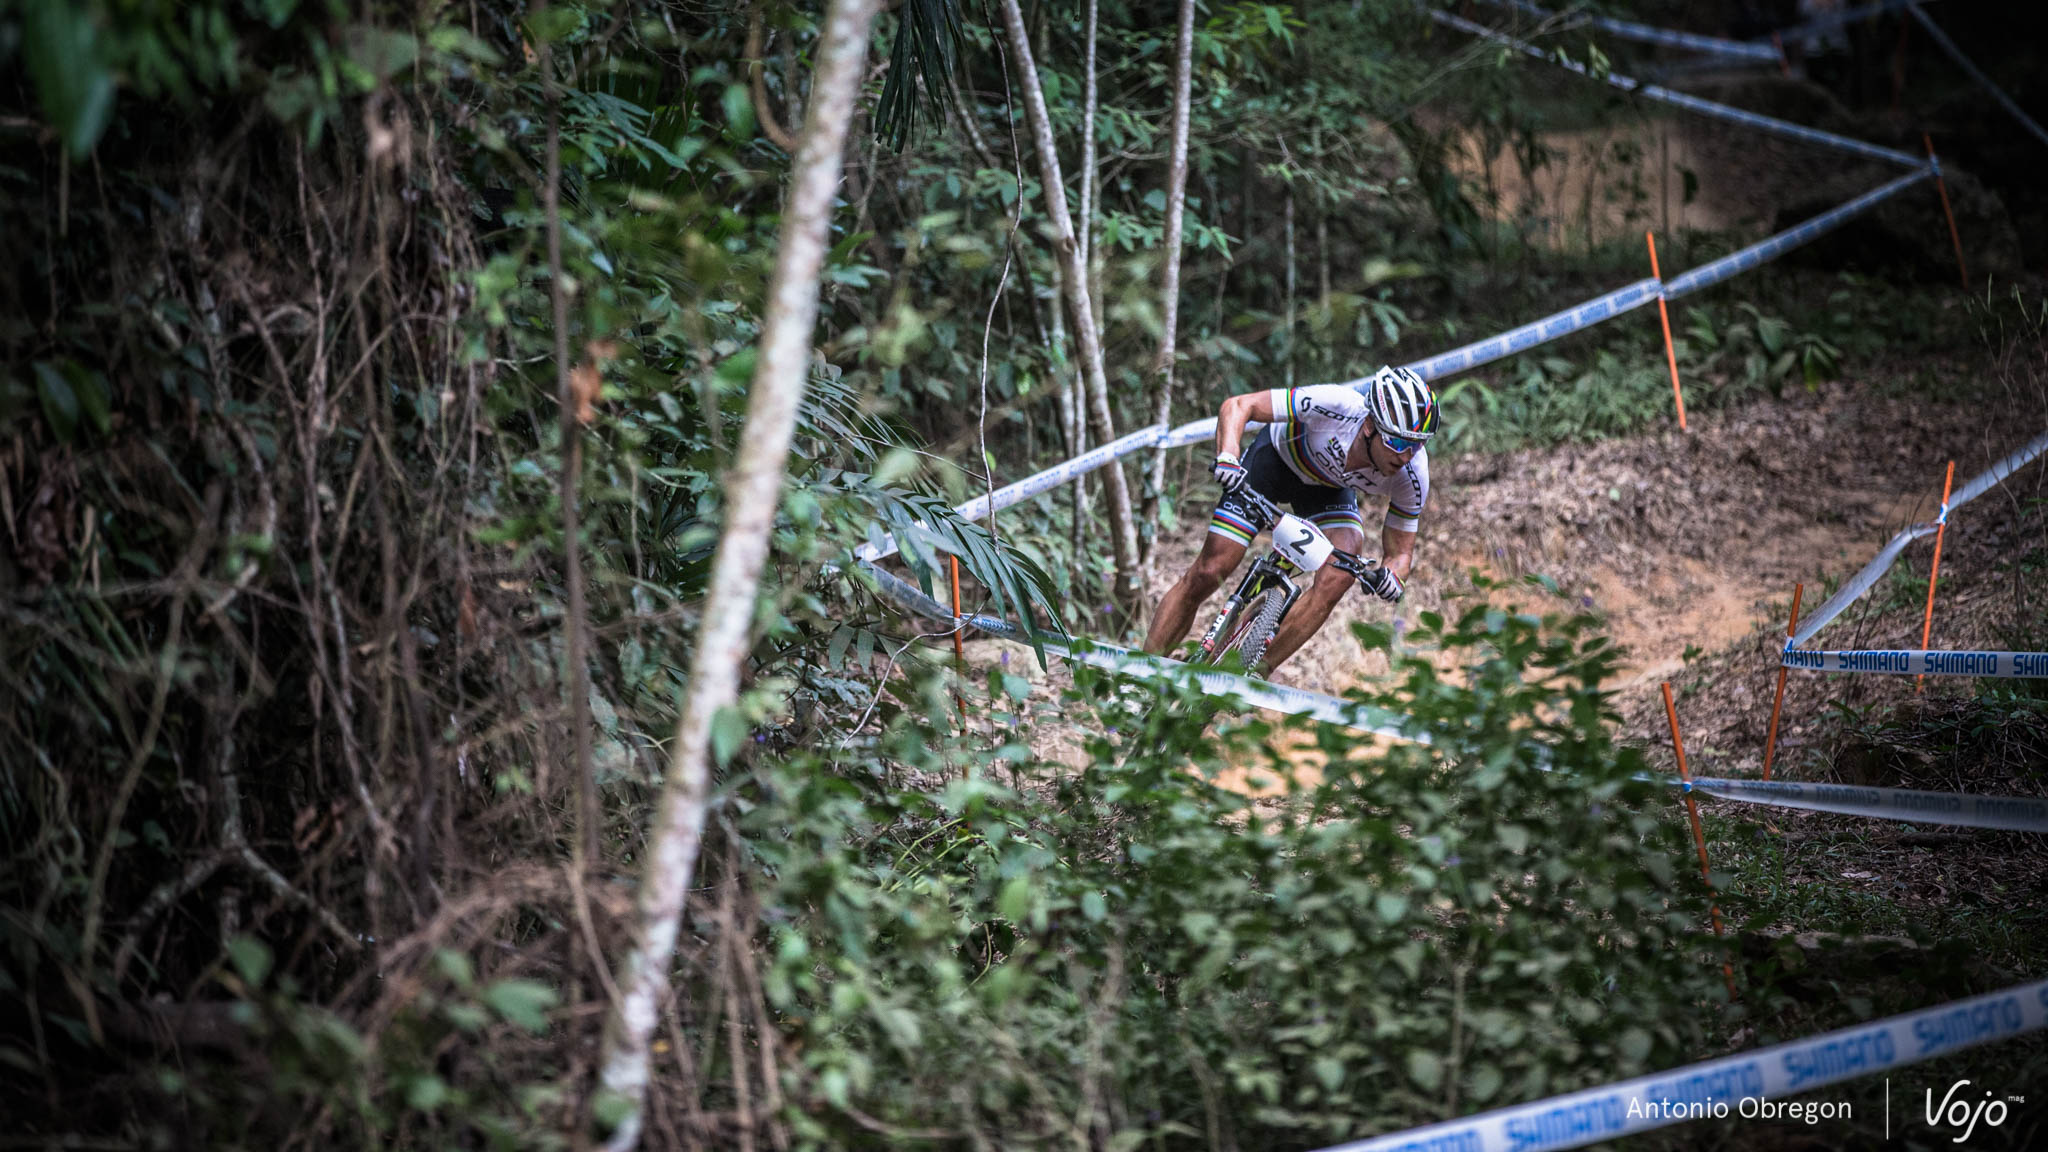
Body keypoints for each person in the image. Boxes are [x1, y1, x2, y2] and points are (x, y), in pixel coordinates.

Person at [1142, 365, 1438, 673]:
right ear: (1369, 426)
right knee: (1211, 569)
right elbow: (1240, 405)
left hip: (1326, 492)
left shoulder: (1413, 475)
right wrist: (1228, 455)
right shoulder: (1334, 405)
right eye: (1399, 443)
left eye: (1417, 444)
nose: (1406, 456)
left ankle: (1252, 674)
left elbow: (1401, 553)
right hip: (1273, 465)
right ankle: (1138, 675)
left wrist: (1392, 576)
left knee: (1341, 572)